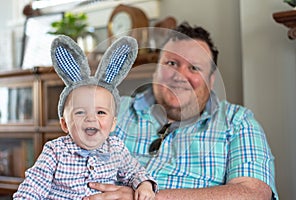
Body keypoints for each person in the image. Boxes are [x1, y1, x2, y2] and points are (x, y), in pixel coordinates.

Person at [84, 22, 279, 200]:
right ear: (156, 70)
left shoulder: (238, 122)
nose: (180, 75)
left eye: (194, 68)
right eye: (171, 64)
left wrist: (145, 197)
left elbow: (254, 193)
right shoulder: (115, 109)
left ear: (211, 81)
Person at [13, 35, 157, 200]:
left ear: (112, 124)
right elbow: (32, 187)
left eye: (100, 112)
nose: (91, 118)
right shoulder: (56, 151)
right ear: (65, 124)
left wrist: (144, 184)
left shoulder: (116, 148)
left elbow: (135, 172)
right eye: (80, 112)